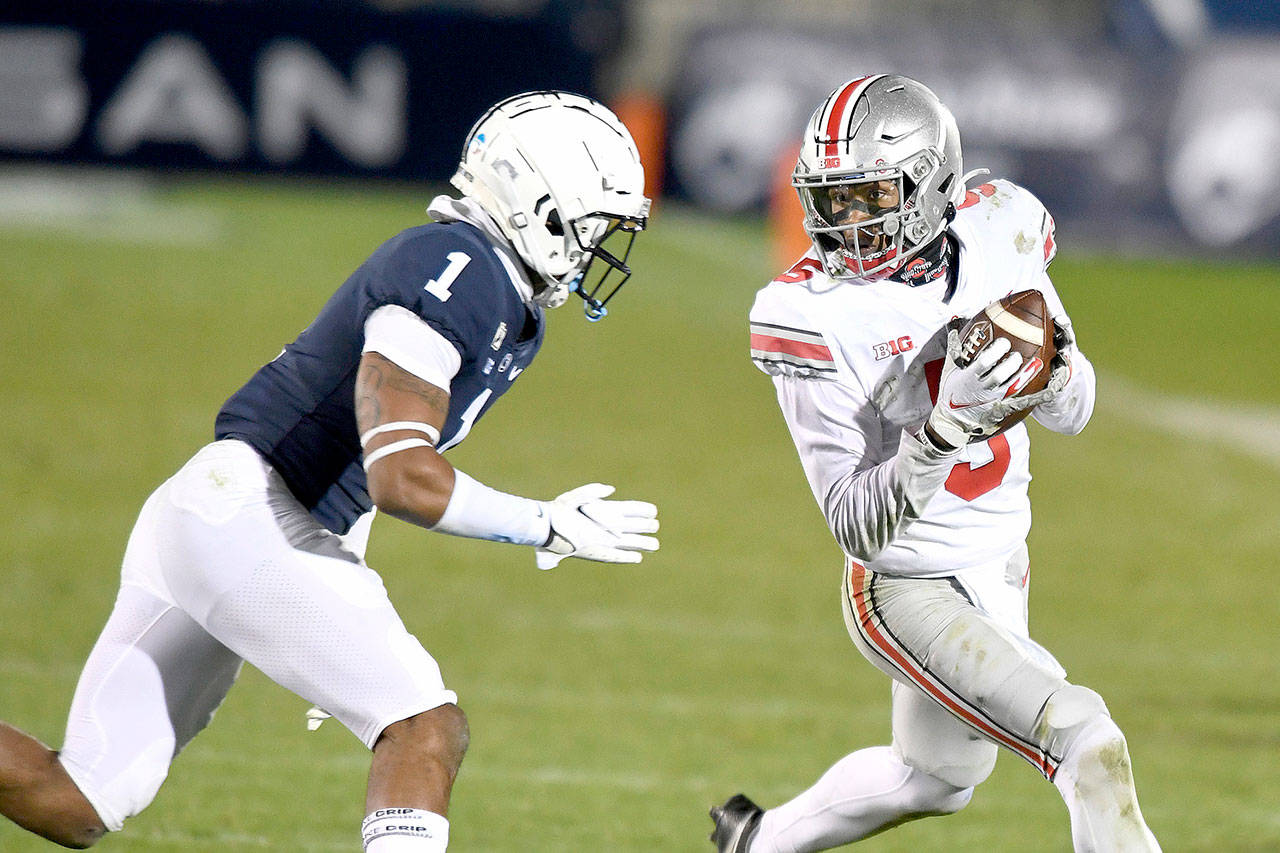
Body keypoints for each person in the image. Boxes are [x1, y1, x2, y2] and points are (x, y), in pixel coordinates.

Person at [0, 90, 659, 851]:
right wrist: (541, 522)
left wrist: (342, 578)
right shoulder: (457, 272)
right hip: (250, 514)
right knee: (423, 726)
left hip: (217, 510)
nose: (598, 248)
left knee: (77, 797)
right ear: (537, 204)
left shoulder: (494, 293)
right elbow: (401, 477)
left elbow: (363, 458)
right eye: (591, 226)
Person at [710, 75, 1159, 852]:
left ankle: (757, 841)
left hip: (1001, 559)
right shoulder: (811, 315)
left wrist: (1047, 369)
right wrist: (945, 428)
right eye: (831, 199)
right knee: (1086, 740)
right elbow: (857, 523)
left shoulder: (1001, 232)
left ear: (929, 183)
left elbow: (1074, 411)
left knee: (936, 779)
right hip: (906, 582)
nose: (843, 223)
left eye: (866, 196)